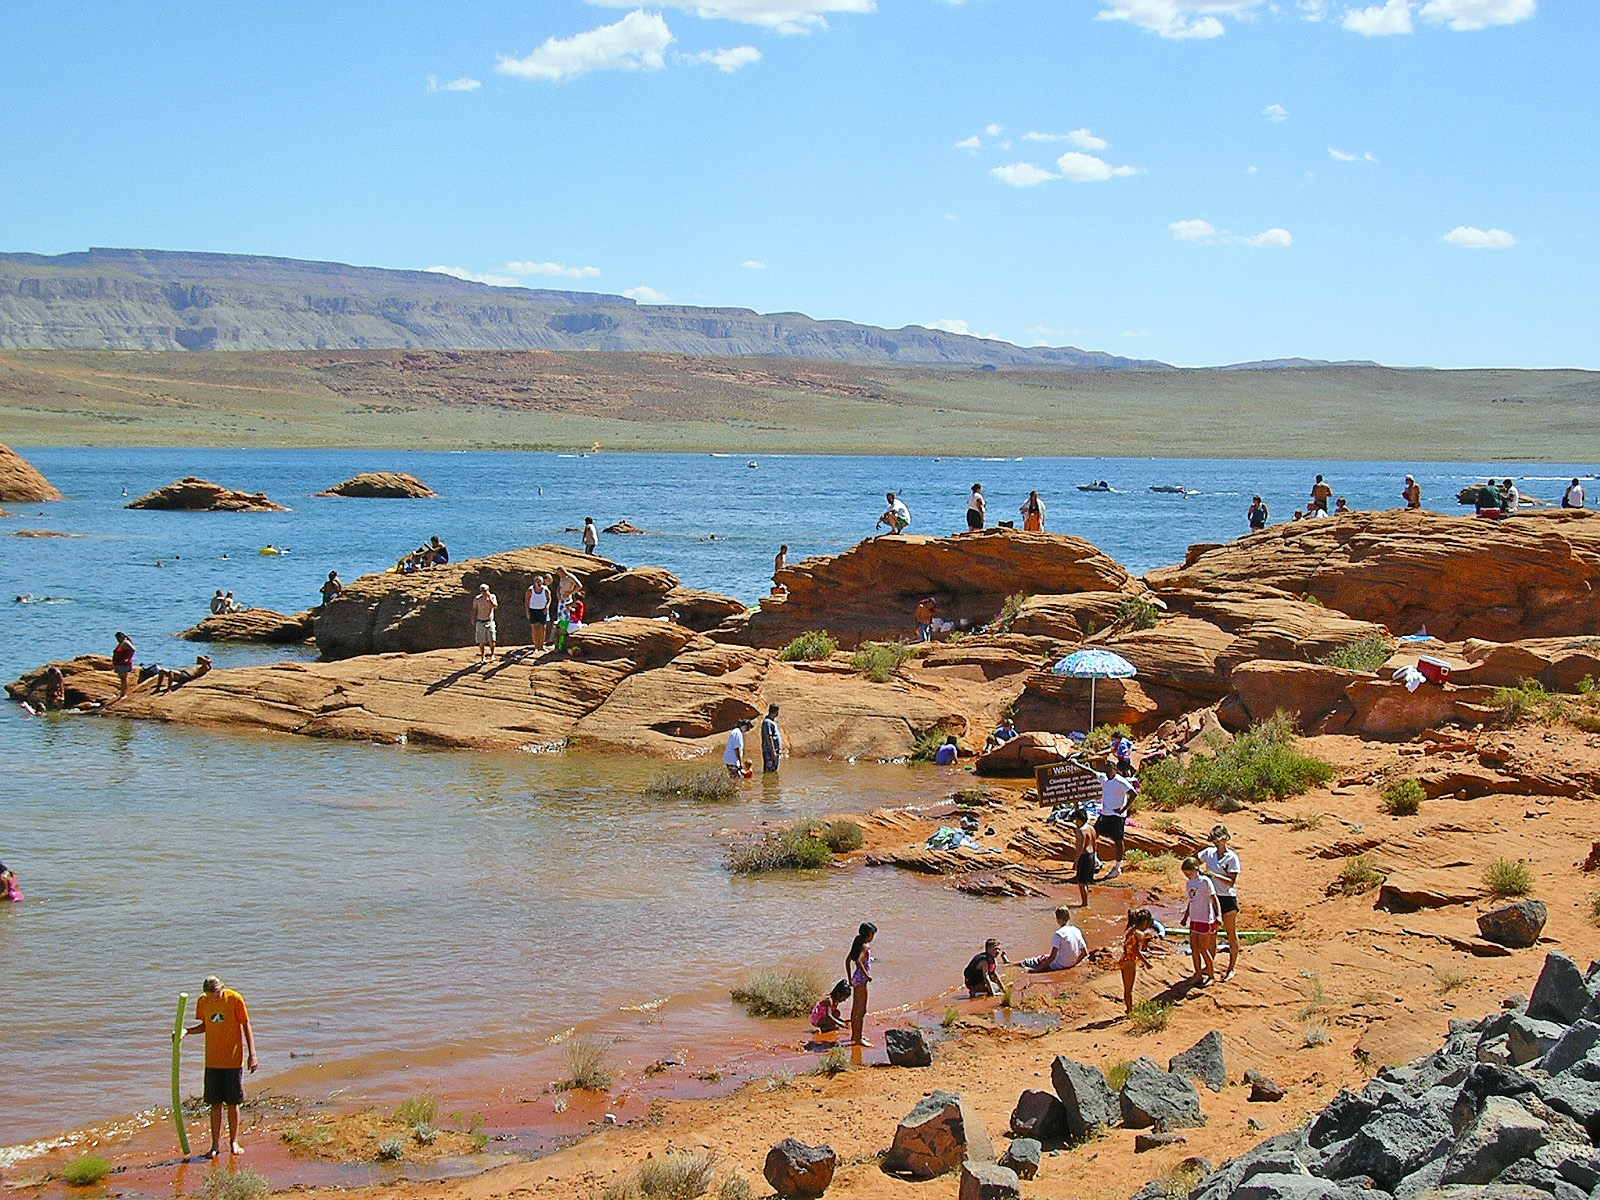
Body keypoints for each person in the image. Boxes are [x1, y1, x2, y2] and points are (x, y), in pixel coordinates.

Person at [182, 975, 258, 1158]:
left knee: (233, 1104)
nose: (213, 999)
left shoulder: (234, 999)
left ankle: (233, 1142)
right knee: (215, 1104)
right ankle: (215, 1145)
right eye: (209, 996)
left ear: (221, 989)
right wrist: (187, 1031)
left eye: (215, 995)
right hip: (212, 1061)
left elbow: (246, 1025)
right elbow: (206, 1025)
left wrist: (252, 1054)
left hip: (233, 1059)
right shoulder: (203, 1001)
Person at [1200, 823, 1242, 982]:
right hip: (1212, 896)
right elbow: (1194, 860)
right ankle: (1210, 965)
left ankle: (1231, 968)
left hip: (1227, 898)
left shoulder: (1231, 857)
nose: (1215, 842)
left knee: (1231, 932)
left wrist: (1213, 875)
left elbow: (1231, 882)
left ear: (1225, 838)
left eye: (1217, 839)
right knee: (1212, 933)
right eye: (1213, 839)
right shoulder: (1209, 853)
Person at [1182, 856, 1222, 986]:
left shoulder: (1205, 881)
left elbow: (1214, 898)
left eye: (1189, 873)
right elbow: (1191, 900)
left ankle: (1211, 975)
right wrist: (1185, 916)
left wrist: (1218, 915)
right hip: (1194, 918)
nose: (1188, 876)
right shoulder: (1189, 883)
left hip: (1205, 918)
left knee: (1203, 948)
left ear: (1196, 869)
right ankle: (1198, 973)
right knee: (1194, 948)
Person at [1094, 761, 1137, 880]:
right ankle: (1096, 861)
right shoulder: (1104, 778)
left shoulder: (1121, 781)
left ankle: (1117, 867)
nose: (1107, 773)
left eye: (1109, 770)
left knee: (1118, 841)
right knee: (1093, 835)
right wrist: (1076, 764)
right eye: (1105, 770)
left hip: (1117, 816)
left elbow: (1133, 794)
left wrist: (1123, 809)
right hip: (1105, 813)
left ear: (1115, 769)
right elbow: (1091, 772)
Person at [1024, 905, 1087, 972]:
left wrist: (1038, 969)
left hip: (1058, 965)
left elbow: (1052, 957)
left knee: (1028, 962)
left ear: (1058, 919)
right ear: (1069, 917)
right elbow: (1084, 953)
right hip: (1070, 963)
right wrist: (1074, 964)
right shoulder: (1076, 930)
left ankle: (1013, 965)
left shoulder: (1059, 933)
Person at [1118, 908, 1156, 1015]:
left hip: (1123, 959)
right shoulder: (1139, 934)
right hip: (1130, 962)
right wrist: (1147, 963)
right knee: (1129, 989)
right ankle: (1130, 1011)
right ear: (1145, 923)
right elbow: (1136, 951)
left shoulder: (1131, 930)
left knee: (1126, 988)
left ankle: (1128, 1008)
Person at [845, 922, 876, 1047]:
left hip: (856, 978)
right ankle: (858, 1039)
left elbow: (847, 961)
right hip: (862, 980)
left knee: (855, 1008)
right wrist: (867, 975)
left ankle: (855, 1035)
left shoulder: (857, 945)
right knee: (861, 1009)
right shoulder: (865, 947)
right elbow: (859, 961)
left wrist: (849, 978)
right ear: (869, 935)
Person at [1068, 809, 1097, 908]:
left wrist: (1075, 861)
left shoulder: (1081, 831)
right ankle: (1086, 901)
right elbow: (1094, 843)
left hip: (1084, 857)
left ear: (1079, 819)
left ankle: (1084, 904)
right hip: (1091, 855)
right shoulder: (1091, 828)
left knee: (1081, 883)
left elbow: (1081, 847)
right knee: (1086, 881)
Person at [471, 583, 498, 663]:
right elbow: (474, 609)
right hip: (480, 621)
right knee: (481, 641)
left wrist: (489, 600)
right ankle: (482, 657)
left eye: (485, 591)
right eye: (482, 591)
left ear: (488, 590)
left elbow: (495, 606)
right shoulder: (477, 599)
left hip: (490, 621)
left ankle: (492, 655)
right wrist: (473, 620)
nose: (483, 592)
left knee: (492, 639)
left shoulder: (492, 597)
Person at [526, 575, 551, 651]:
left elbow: (549, 599)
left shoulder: (545, 590)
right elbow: (527, 601)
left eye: (540, 581)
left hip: (542, 610)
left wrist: (547, 606)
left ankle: (542, 645)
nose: (539, 583)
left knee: (543, 628)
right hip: (533, 610)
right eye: (537, 581)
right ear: (534, 582)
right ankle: (536, 646)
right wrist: (527, 612)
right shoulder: (530, 590)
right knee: (534, 628)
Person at [111, 631, 136, 702]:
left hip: (123, 663)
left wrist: (128, 658)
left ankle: (123, 694)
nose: (117, 640)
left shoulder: (125, 642)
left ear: (121, 637)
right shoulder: (122, 643)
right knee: (122, 679)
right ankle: (122, 693)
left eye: (118, 638)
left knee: (124, 678)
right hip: (119, 663)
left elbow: (133, 649)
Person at [760, 704, 782, 774]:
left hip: (774, 751)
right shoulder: (767, 722)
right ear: (776, 712)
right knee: (769, 771)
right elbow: (769, 737)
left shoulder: (773, 722)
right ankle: (769, 784)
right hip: (769, 752)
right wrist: (773, 752)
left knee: (774, 770)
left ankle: (773, 784)